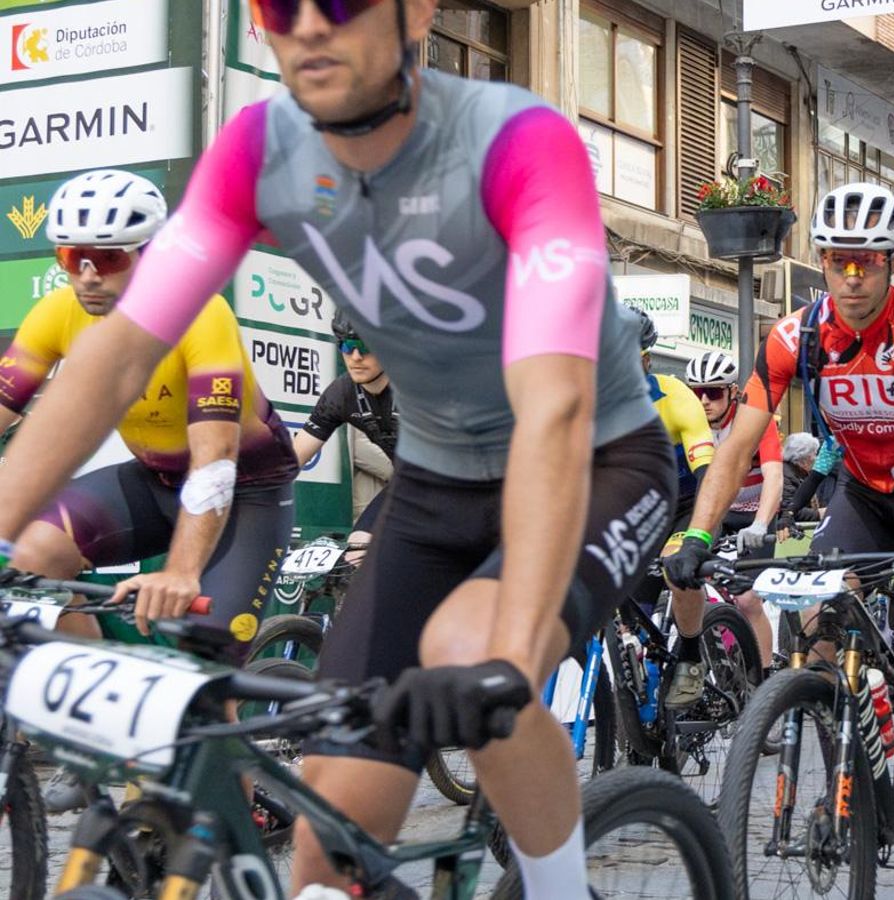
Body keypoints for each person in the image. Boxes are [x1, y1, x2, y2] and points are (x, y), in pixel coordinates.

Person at [0, 2, 680, 895]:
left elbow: (554, 399)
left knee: (469, 649)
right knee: (329, 859)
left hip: (594, 460)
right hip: (436, 486)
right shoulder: (258, 150)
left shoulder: (516, 140)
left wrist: (510, 657)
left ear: (418, 12)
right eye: (283, 5)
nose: (312, 25)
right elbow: (116, 359)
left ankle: (556, 885)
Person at [662, 182, 894, 836]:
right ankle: (851, 774)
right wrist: (696, 536)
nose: (852, 277)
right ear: (819, 260)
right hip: (861, 494)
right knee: (816, 630)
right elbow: (736, 444)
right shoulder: (796, 337)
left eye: (869, 261)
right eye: (837, 261)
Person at [2, 168, 300, 812]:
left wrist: (184, 570)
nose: (86, 274)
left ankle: (236, 814)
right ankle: (100, 736)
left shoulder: (201, 311)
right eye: (69, 256)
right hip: (155, 479)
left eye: (105, 258)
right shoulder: (58, 312)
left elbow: (216, 460)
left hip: (245, 491)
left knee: (203, 668)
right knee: (32, 559)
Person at [630, 312, 720, 706]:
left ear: (646, 360)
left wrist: (695, 538)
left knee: (676, 571)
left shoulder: (674, 396)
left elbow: (708, 476)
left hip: (687, 504)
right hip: (636, 511)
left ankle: (689, 654)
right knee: (626, 606)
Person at [675, 348, 783, 666]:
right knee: (692, 586)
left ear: (733, 392)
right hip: (718, 514)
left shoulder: (755, 420)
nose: (704, 401)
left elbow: (774, 477)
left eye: (713, 392)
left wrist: (762, 524)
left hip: (754, 514)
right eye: (696, 393)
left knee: (748, 598)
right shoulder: (689, 423)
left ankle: (762, 678)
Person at [294, 311, 398, 543]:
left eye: (365, 345)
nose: (356, 356)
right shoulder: (341, 394)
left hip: (463, 486)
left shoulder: (418, 385)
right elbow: (291, 461)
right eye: (347, 346)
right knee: (358, 546)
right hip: (407, 486)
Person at [780, 432, 822, 523]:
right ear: (803, 458)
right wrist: (819, 514)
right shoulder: (785, 475)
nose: (816, 458)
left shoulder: (801, 472)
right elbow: (787, 511)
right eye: (814, 454)